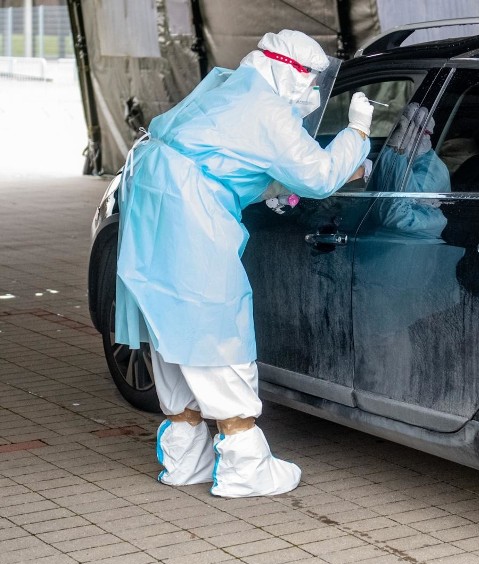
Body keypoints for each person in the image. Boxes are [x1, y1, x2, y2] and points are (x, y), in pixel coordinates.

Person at [114, 29, 373, 498]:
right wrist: (357, 132)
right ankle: (244, 465)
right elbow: (319, 175)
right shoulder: (265, 106)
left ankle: (184, 458)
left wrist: (269, 189)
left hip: (155, 199)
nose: (313, 92)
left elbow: (220, 156)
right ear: (286, 69)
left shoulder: (228, 85)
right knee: (214, 317)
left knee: (171, 324)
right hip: (189, 209)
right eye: (310, 79)